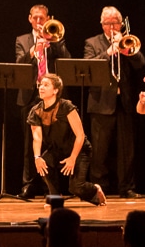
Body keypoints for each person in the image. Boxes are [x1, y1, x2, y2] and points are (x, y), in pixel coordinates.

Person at [84, 6, 145, 199]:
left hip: (124, 102)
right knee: (99, 150)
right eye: (108, 23)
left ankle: (126, 187)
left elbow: (140, 63)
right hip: (101, 102)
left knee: (127, 150)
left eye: (115, 23)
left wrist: (126, 50)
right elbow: (89, 66)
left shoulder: (127, 40)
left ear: (121, 24)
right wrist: (109, 51)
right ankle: (99, 188)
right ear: (101, 24)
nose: (111, 27)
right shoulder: (92, 43)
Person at [15, 4, 71, 200]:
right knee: (29, 144)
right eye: (35, 18)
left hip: (52, 97)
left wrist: (53, 42)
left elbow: (67, 59)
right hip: (30, 96)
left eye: (42, 18)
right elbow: (18, 65)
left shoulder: (55, 37)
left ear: (48, 19)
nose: (39, 21)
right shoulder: (22, 40)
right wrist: (33, 50)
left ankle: (51, 187)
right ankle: (28, 185)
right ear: (30, 18)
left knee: (52, 143)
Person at [28, 73, 106, 206]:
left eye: (46, 85)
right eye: (41, 85)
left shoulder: (66, 106)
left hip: (79, 150)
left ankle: (95, 190)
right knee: (44, 163)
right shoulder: (36, 111)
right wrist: (37, 157)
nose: (41, 87)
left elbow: (80, 135)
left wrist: (73, 158)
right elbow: (37, 137)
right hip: (57, 149)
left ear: (55, 90)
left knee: (76, 187)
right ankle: (55, 197)